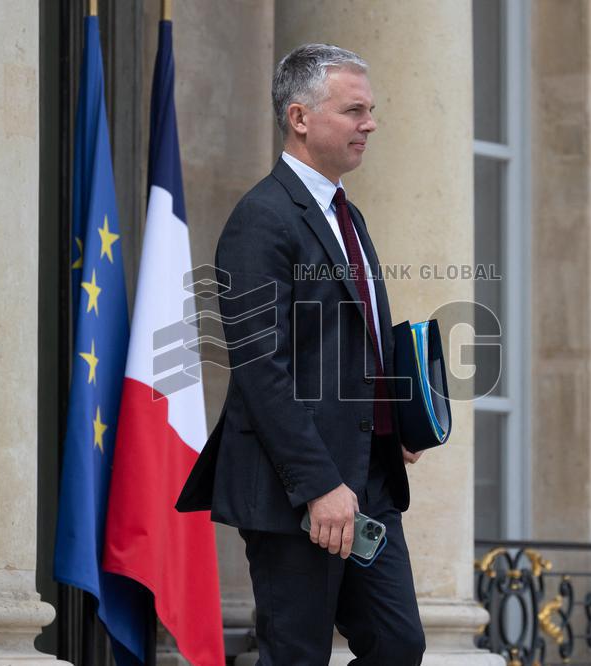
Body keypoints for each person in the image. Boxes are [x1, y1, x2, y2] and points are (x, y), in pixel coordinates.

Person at [176, 43, 426, 665]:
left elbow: (349, 340)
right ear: (300, 118)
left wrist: (392, 418)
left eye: (370, 111)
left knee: (398, 645)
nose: (370, 124)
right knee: (297, 656)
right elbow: (261, 368)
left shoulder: (348, 215)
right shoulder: (261, 218)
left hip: (368, 479)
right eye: (354, 110)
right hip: (297, 490)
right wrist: (318, 486)